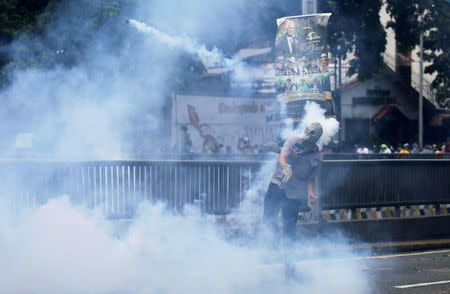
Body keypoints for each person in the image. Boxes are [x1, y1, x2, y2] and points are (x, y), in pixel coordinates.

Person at [263, 122, 323, 240]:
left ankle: (287, 255)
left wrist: (311, 193)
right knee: (268, 219)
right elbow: (282, 157)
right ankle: (273, 246)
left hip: (295, 193)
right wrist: (286, 167)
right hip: (278, 184)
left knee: (289, 228)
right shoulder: (292, 141)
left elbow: (311, 178)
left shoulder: (318, 156)